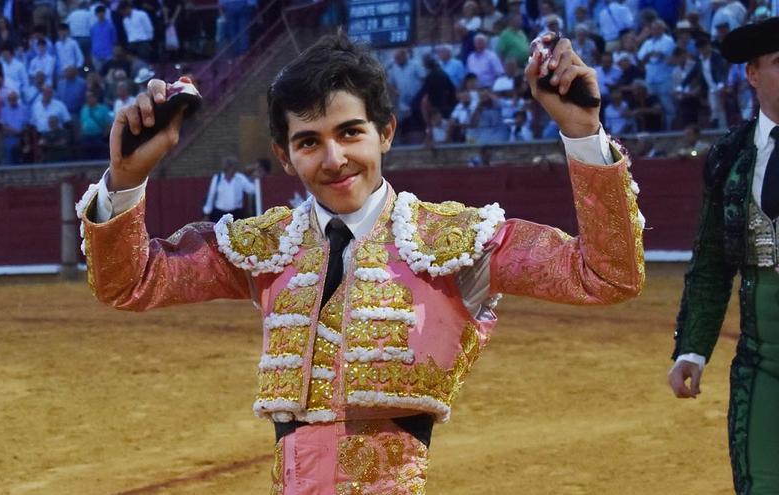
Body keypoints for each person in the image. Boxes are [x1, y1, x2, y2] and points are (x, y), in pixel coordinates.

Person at [76, 33, 644, 493]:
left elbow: (606, 274)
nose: (334, 158)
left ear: (386, 133)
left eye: (351, 133)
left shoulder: (453, 241)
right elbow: (131, 282)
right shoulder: (267, 247)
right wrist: (127, 179)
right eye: (309, 142)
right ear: (284, 154)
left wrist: (580, 133)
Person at [668, 17, 779, 495]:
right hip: (764, 364)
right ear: (753, 75)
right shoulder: (730, 155)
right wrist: (692, 348)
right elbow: (712, 262)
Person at [201, 156, 257, 222]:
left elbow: (252, 190)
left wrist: (256, 178)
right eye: (232, 166)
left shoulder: (240, 178)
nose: (234, 169)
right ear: (228, 167)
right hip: (220, 214)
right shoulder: (217, 178)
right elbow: (211, 195)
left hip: (236, 214)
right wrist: (207, 214)